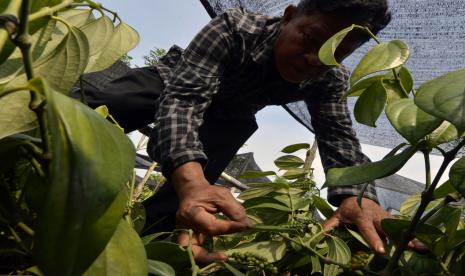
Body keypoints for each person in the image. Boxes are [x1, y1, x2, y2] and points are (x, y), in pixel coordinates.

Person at [73, 0, 423, 264]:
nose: (313, 59)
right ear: (289, 17)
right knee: (103, 106)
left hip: (230, 115)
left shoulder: (328, 79)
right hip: (174, 82)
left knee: (192, 198)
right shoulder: (235, 28)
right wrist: (190, 180)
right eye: (310, 38)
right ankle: (35, 146)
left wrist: (359, 199)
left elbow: (338, 136)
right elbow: (183, 101)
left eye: (334, 52)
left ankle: (156, 249)